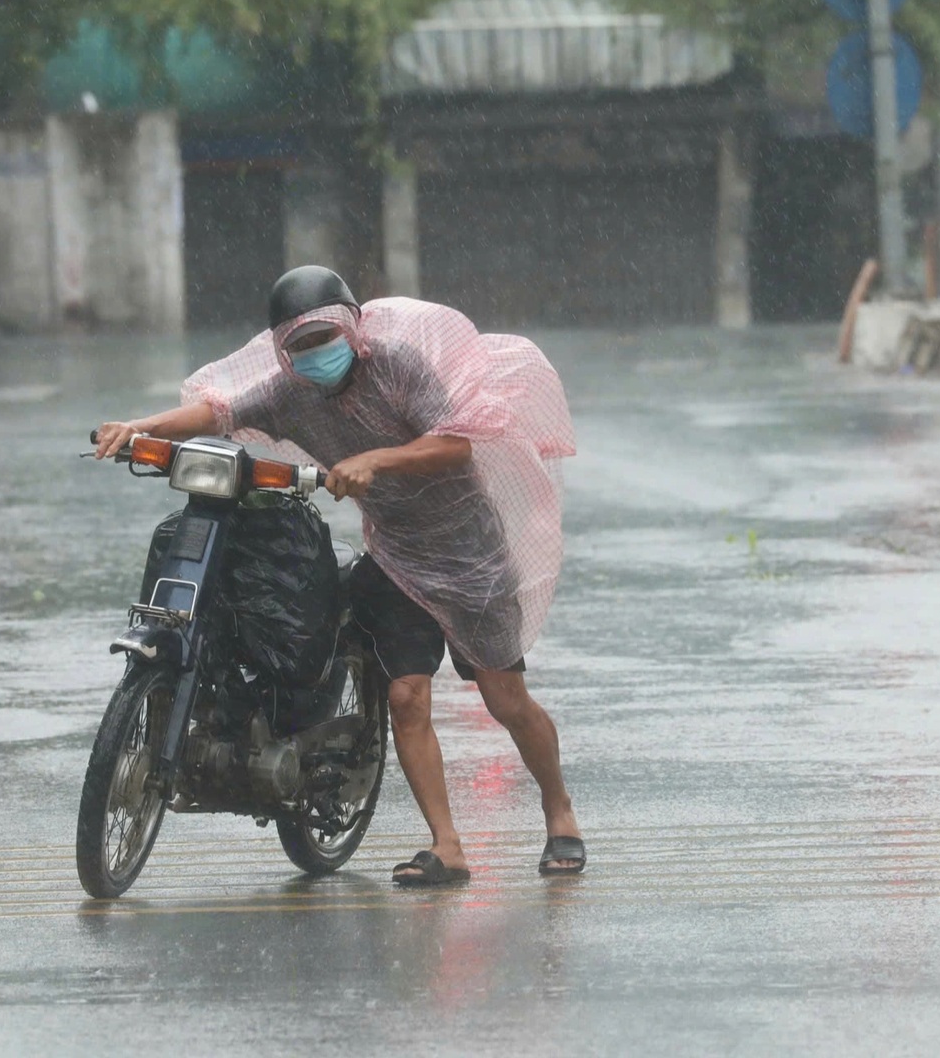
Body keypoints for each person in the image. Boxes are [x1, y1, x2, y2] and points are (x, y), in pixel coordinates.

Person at [93, 267, 586, 886]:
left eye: (325, 336)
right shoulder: (285, 394)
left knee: (504, 699)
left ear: (354, 329)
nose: (315, 353)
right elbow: (215, 412)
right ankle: (447, 846)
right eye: (299, 345)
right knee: (406, 698)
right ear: (281, 351)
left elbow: (456, 443)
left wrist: (378, 459)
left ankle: (559, 809)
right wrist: (136, 427)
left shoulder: (399, 366)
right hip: (398, 558)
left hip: (469, 554)